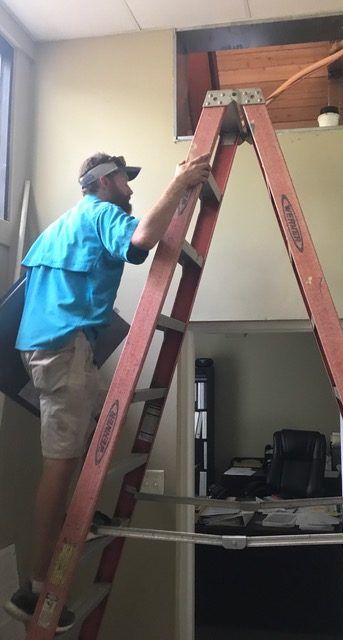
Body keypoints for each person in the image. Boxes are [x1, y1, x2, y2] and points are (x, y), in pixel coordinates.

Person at [3, 151, 211, 633]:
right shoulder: (101, 212)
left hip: (48, 345)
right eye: (124, 180)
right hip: (64, 346)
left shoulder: (64, 224)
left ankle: (80, 513)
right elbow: (139, 242)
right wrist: (179, 184)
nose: (131, 189)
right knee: (61, 457)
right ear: (102, 181)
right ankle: (34, 589)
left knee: (88, 433)